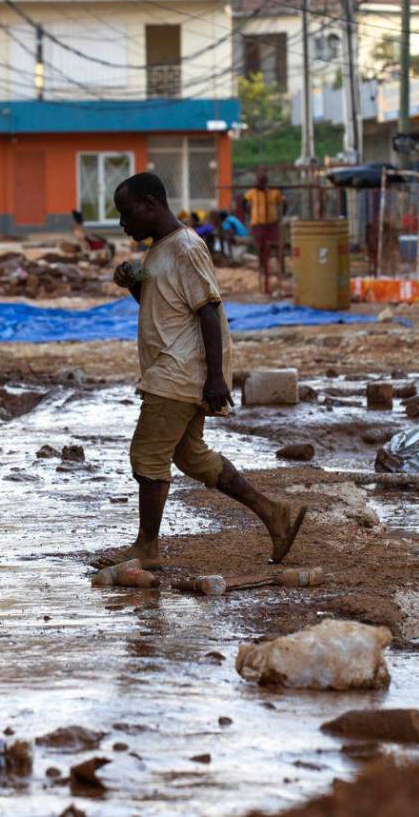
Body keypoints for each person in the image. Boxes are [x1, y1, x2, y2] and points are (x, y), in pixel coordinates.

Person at [104, 172, 307, 567]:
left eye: (127, 213)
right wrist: (133, 286)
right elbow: (166, 305)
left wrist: (216, 377)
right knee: (190, 455)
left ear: (150, 204)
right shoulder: (161, 249)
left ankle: (147, 547)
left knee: (146, 455)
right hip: (176, 369)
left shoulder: (186, 247)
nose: (123, 223)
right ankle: (273, 515)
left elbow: (209, 310)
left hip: (178, 372)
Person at [241, 169, 286, 293]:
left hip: (272, 223)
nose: (260, 183)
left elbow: (283, 202)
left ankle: (280, 269)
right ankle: (262, 269)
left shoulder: (274, 192)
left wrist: (281, 216)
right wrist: (249, 212)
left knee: (277, 246)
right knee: (261, 247)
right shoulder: (252, 193)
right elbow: (243, 202)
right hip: (258, 224)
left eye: (262, 181)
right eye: (258, 181)